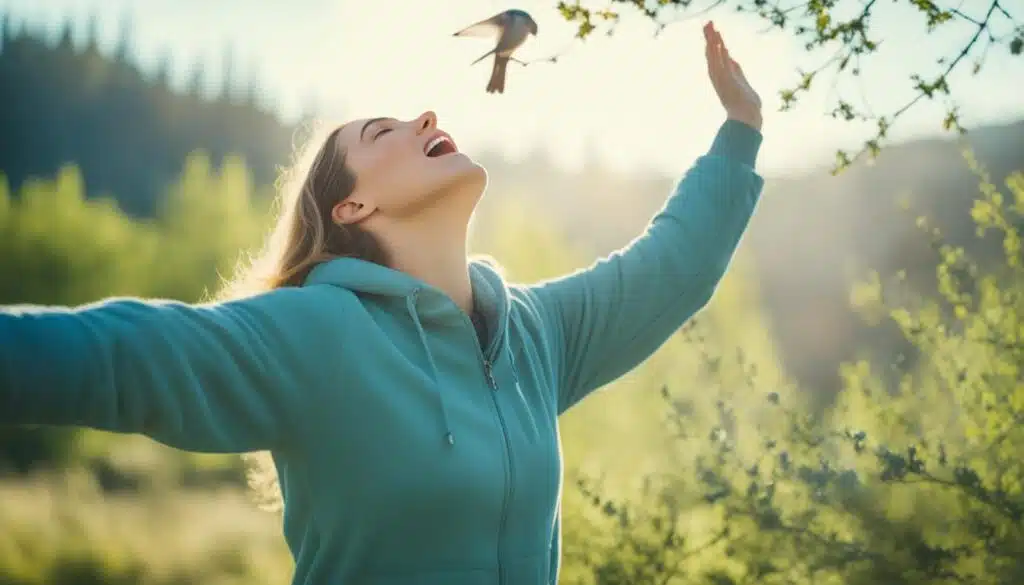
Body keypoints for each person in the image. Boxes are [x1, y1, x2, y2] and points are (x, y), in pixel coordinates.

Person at [0, 21, 764, 585]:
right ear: (351, 210)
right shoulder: (317, 333)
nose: (426, 119)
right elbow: (119, 356)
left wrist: (741, 129)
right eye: (383, 132)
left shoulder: (534, 335)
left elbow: (673, 270)